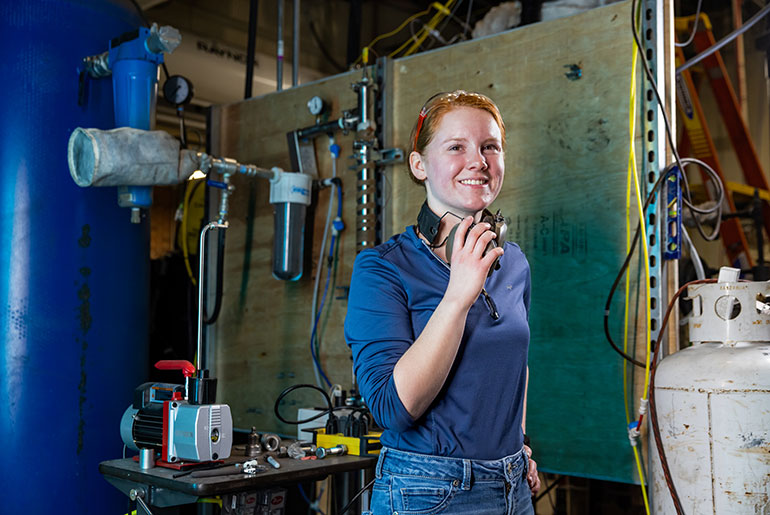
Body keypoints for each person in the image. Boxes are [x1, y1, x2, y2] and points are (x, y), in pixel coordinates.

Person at [345, 90, 540, 515]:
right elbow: (393, 409)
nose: (479, 161)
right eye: (456, 147)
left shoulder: (514, 263)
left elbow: (515, 367)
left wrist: (518, 444)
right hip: (427, 491)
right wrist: (458, 293)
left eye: (491, 147)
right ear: (420, 166)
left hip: (512, 487)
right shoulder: (382, 269)